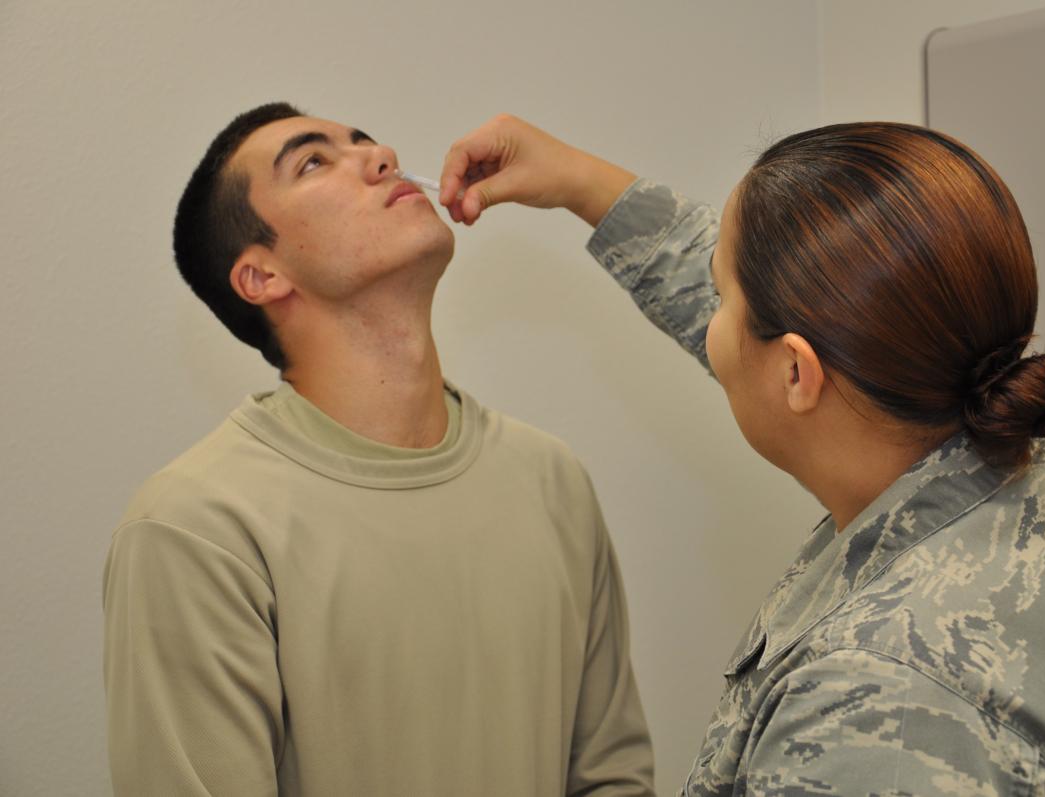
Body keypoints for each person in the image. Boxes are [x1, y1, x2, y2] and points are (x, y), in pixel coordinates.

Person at [436, 115, 1045, 795]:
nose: (716, 315)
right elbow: (815, 313)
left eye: (723, 295)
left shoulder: (872, 712)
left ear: (797, 372)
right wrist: (581, 183)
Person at [102, 103, 654, 797]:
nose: (381, 155)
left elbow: (612, 776)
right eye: (313, 161)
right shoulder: (196, 528)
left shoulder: (550, 478)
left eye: (363, 140)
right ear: (262, 277)